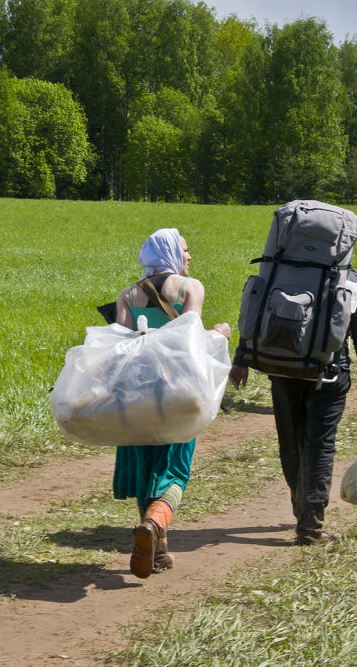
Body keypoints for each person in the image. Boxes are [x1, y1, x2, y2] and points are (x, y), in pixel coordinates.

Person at [228, 246, 357, 547]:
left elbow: (253, 313)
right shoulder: (351, 282)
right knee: (320, 445)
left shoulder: (277, 275)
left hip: (283, 370)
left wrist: (241, 359)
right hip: (329, 375)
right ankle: (310, 525)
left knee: (291, 441)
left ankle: (302, 509)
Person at [112, 229, 230, 578]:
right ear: (170, 252)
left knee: (147, 469)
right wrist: (218, 335)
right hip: (176, 395)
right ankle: (153, 525)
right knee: (174, 472)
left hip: (135, 397)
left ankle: (157, 552)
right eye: (185, 249)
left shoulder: (127, 294)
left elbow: (119, 347)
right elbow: (189, 342)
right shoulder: (190, 288)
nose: (189, 256)